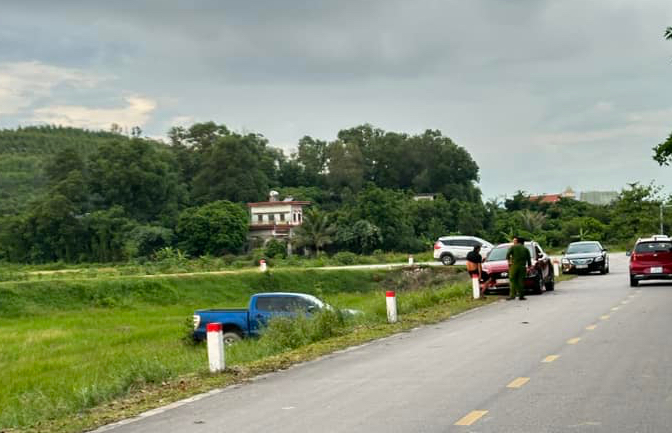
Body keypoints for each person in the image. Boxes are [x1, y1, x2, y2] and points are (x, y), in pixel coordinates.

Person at [506, 236, 532, 300]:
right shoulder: (526, 249)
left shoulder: (513, 247)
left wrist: (509, 261)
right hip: (523, 267)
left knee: (513, 281)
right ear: (523, 242)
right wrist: (529, 267)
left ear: (517, 241)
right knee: (521, 281)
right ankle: (521, 296)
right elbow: (529, 259)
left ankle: (512, 295)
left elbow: (507, 255)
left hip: (514, 266)